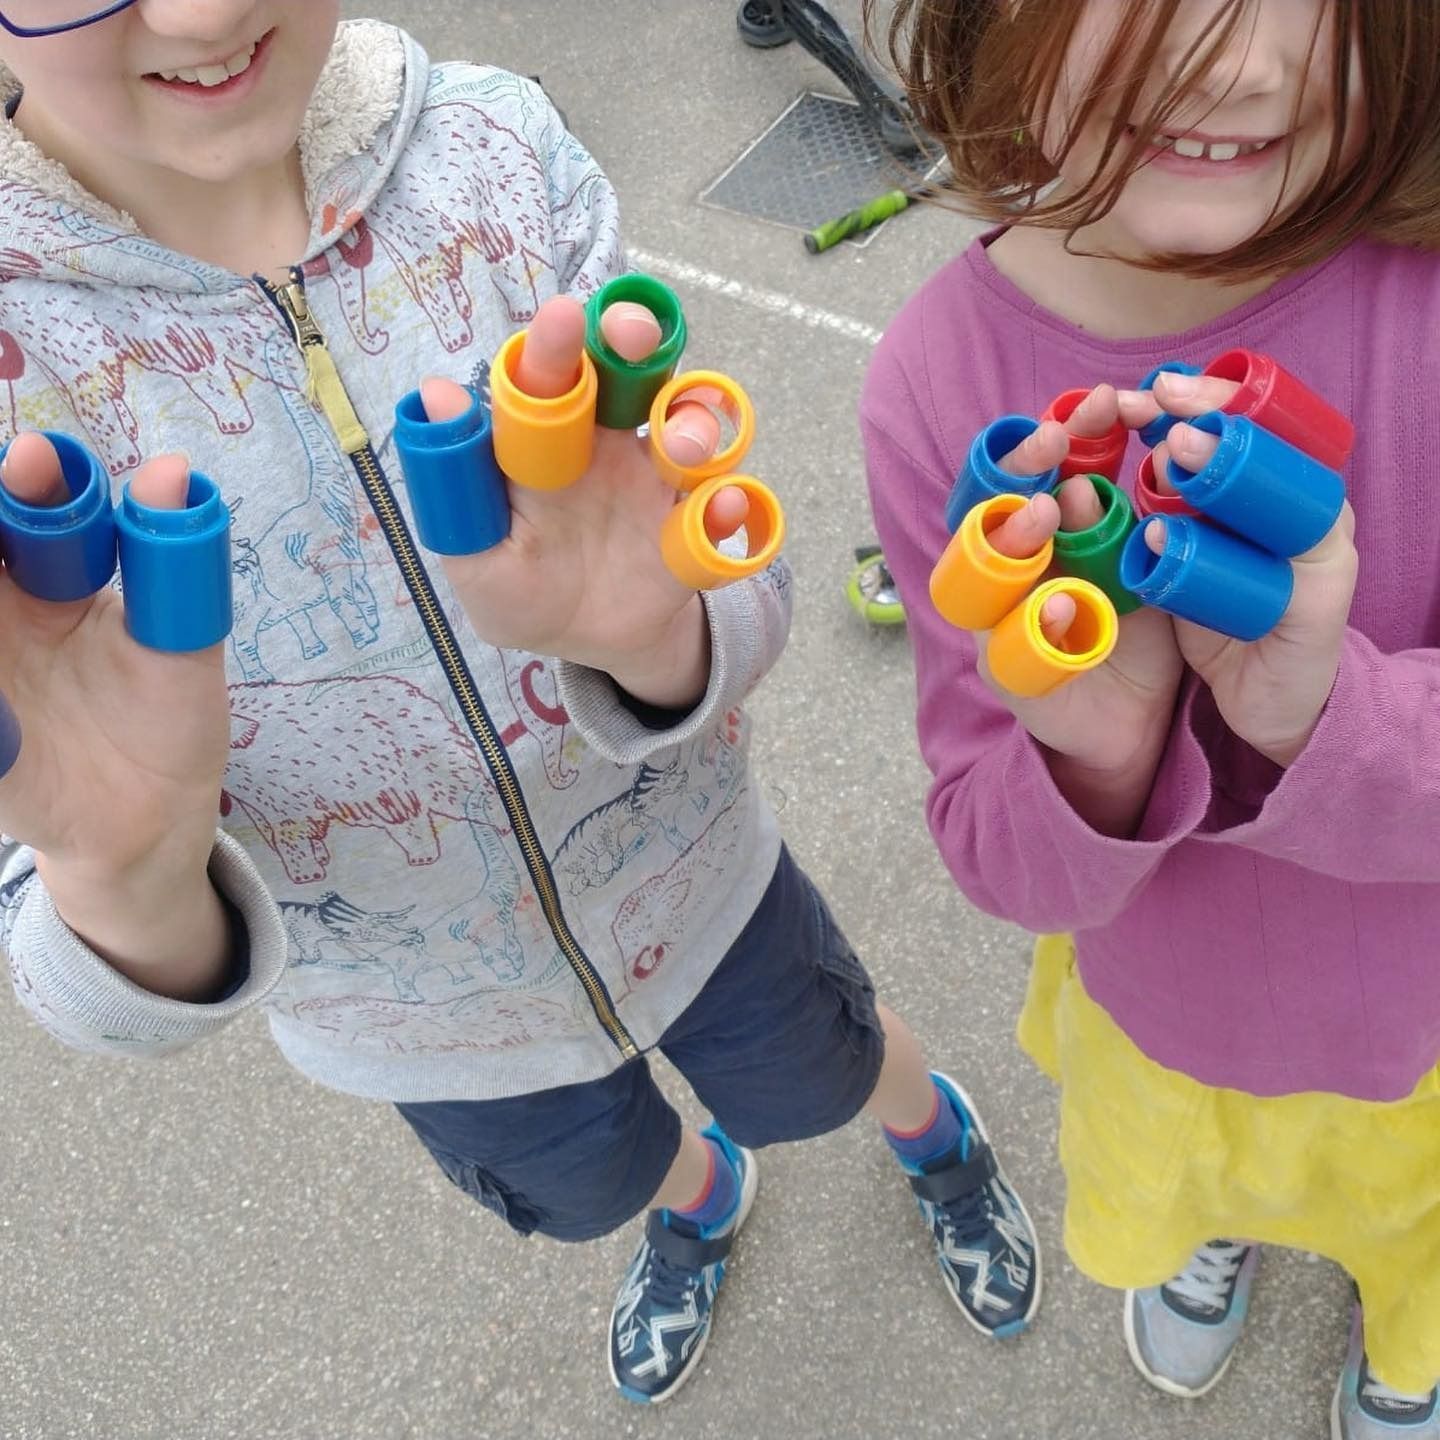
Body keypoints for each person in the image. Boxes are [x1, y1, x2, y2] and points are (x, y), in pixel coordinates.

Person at [0, 0, 1040, 1408]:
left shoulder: (494, 154)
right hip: (422, 1022)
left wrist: (661, 640)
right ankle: (699, 1197)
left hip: (700, 886)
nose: (196, 9)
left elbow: (727, 550)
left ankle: (931, 1136)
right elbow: (66, 933)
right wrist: (126, 881)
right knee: (600, 1176)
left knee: (829, 1061)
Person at [861, 1, 1440, 1435]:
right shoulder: (936, 379)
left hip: (1423, 1042)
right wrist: (1100, 750)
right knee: (1190, 1189)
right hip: (1163, 1024)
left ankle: (1401, 1346)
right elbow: (994, 853)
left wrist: (1323, 710)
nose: (1236, 61)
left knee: (1412, 1245)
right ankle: (1216, 1243)